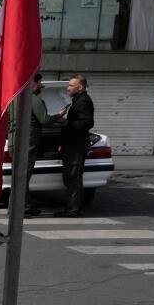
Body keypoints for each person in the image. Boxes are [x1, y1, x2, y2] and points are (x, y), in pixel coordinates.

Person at [7, 73, 48, 217]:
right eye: (39, 82)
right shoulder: (32, 98)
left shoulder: (14, 98)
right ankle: (17, 210)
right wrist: (59, 116)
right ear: (32, 83)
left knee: (18, 177)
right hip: (27, 143)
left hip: (14, 142)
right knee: (23, 178)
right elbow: (44, 119)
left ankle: (26, 206)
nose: (41, 85)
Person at [55, 74, 94, 217]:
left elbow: (87, 123)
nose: (68, 88)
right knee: (71, 178)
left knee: (73, 177)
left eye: (71, 85)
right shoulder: (77, 100)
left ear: (80, 87)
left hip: (76, 146)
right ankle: (71, 207)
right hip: (72, 144)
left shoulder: (83, 101)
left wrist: (67, 123)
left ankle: (73, 209)